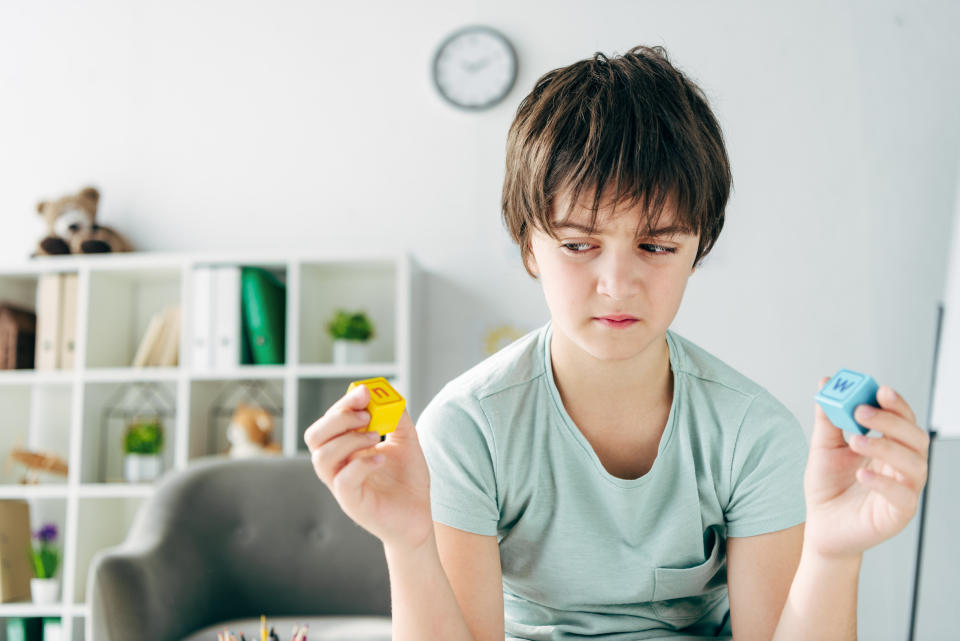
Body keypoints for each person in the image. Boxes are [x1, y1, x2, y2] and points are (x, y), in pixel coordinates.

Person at [303, 45, 930, 641]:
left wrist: (833, 552)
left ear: (698, 250)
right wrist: (407, 544)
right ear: (529, 246)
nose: (616, 284)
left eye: (657, 246)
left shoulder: (754, 434)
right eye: (578, 246)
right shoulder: (469, 428)